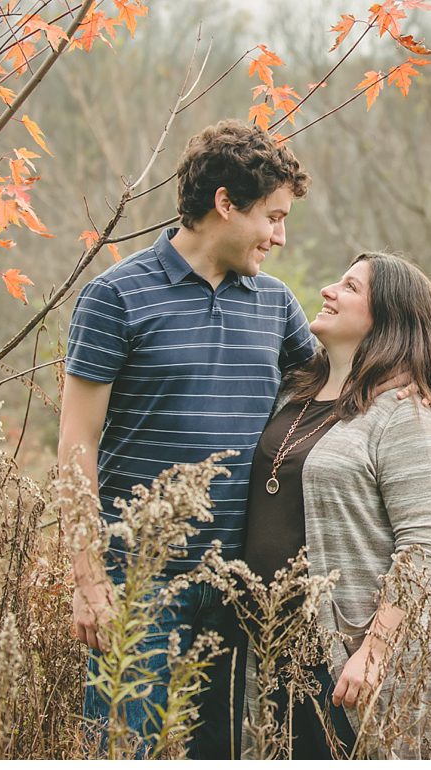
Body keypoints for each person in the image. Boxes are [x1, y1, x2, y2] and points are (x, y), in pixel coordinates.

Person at [61, 120, 319, 757]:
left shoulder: (276, 304)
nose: (281, 237)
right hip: (138, 582)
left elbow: (333, 394)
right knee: (129, 751)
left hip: (238, 583)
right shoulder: (115, 297)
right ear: (225, 203)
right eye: (273, 217)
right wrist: (87, 579)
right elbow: (74, 449)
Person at [240, 252, 431, 758]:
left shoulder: (404, 413)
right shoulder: (291, 395)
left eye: (350, 287)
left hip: (350, 654)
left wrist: (374, 653)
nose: (327, 289)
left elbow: (423, 548)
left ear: (389, 317)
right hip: (274, 644)